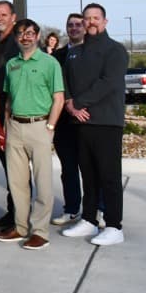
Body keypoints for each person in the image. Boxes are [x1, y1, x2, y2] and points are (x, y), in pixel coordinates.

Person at [61, 3, 129, 246]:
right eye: (87, 18)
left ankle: (113, 225)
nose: (91, 22)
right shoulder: (76, 52)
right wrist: (70, 104)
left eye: (95, 18)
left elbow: (108, 83)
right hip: (80, 123)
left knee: (109, 176)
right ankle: (89, 219)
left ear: (105, 21)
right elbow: (65, 80)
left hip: (106, 122)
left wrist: (79, 103)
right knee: (87, 174)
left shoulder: (115, 50)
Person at [0, 19, 64, 251]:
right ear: (16, 38)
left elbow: (58, 98)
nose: (25, 37)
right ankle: (20, 227)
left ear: (37, 35)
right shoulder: (11, 64)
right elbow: (9, 99)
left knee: (42, 183)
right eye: (21, 34)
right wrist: (5, 124)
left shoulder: (49, 63)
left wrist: (50, 127)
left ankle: (40, 232)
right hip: (14, 127)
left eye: (30, 33)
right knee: (17, 183)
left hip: (40, 126)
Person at [0, 0, 21, 231]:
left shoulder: (19, 41)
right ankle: (12, 213)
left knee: (17, 168)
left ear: (13, 17)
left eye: (3, 14)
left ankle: (21, 215)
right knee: (7, 165)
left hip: (14, 112)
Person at [51, 14, 87, 226]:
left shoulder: (92, 52)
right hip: (64, 121)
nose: (73, 28)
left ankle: (96, 209)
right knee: (69, 168)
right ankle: (72, 208)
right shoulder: (58, 55)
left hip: (86, 118)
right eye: (70, 25)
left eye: (77, 25)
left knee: (90, 168)